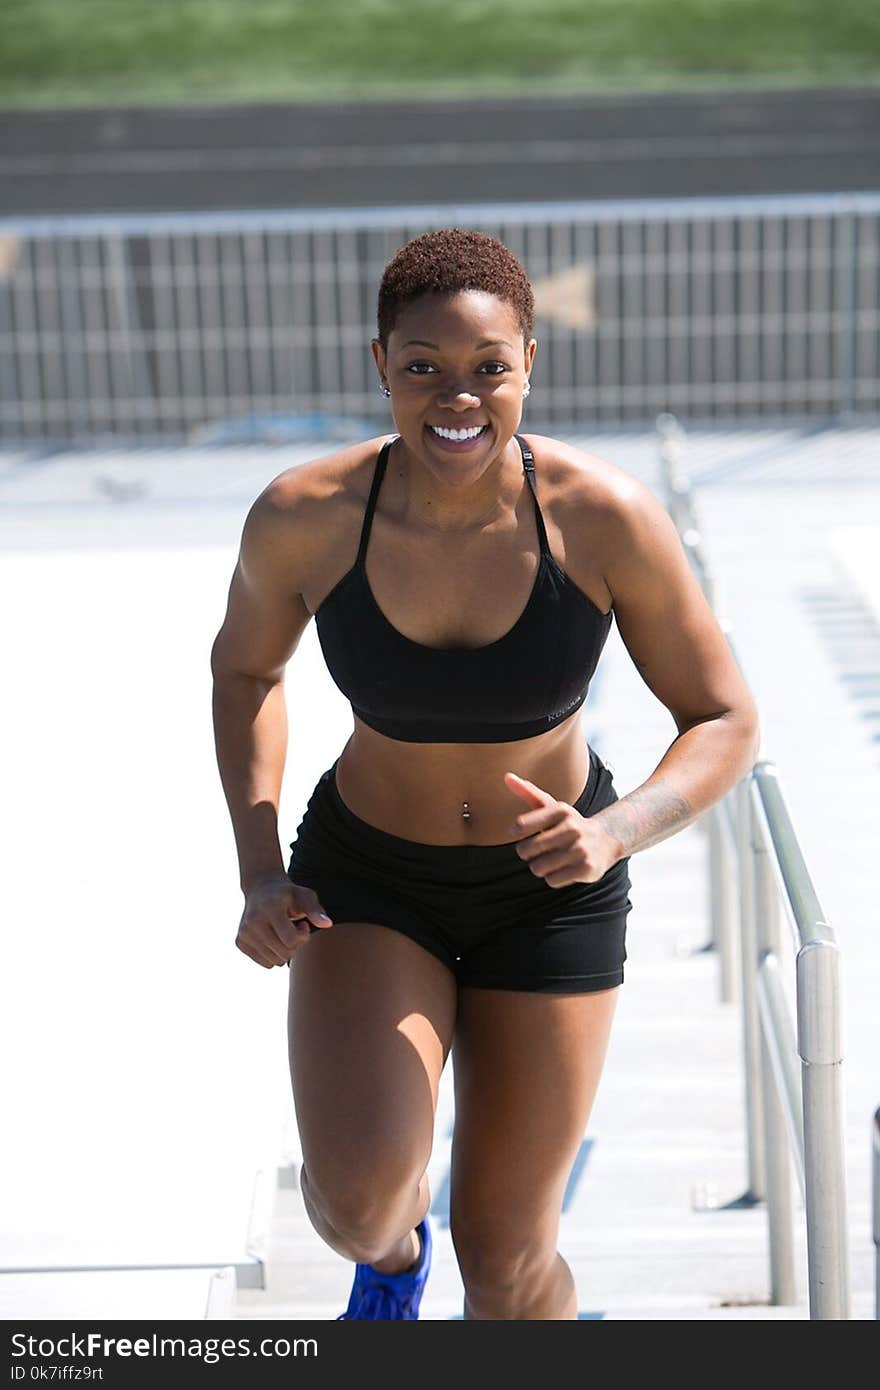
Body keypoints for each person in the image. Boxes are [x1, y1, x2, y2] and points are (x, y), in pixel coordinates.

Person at [210, 228, 760, 1321]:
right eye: (423, 366)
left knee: (508, 1260)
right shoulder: (304, 516)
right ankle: (394, 1261)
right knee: (357, 1205)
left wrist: (619, 830)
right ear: (380, 365)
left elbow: (723, 716)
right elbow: (244, 675)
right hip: (370, 879)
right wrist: (261, 870)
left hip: (549, 896)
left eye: (487, 367)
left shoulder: (603, 516)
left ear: (529, 363)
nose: (455, 397)